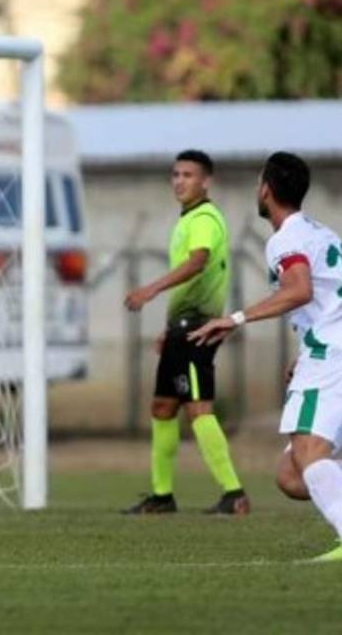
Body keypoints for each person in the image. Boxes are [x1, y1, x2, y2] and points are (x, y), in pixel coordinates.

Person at [190, 152, 342, 561]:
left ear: (266, 189)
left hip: (332, 357)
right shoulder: (324, 233)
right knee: (292, 476)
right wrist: (311, 345)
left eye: (258, 183)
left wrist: (236, 318)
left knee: (309, 459)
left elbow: (299, 290)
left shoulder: (286, 239)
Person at [122, 150, 249, 515]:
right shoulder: (188, 219)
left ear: (205, 181)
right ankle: (162, 496)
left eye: (188, 175)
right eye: (176, 174)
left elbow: (198, 262)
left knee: (198, 408)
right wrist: (167, 327)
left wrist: (151, 289)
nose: (179, 181)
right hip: (181, 329)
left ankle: (234, 492)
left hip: (196, 329)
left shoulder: (205, 218)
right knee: (162, 407)